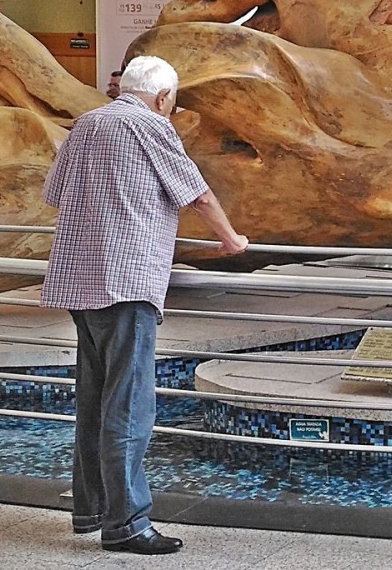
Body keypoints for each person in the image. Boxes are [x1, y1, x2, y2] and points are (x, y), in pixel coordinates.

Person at [41, 55, 248, 555]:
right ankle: (128, 523)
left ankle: (91, 510)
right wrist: (231, 240)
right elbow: (196, 194)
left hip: (79, 279)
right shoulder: (152, 126)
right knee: (130, 404)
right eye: (172, 102)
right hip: (127, 281)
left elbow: (54, 194)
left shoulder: (88, 122)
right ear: (162, 98)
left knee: (94, 399)